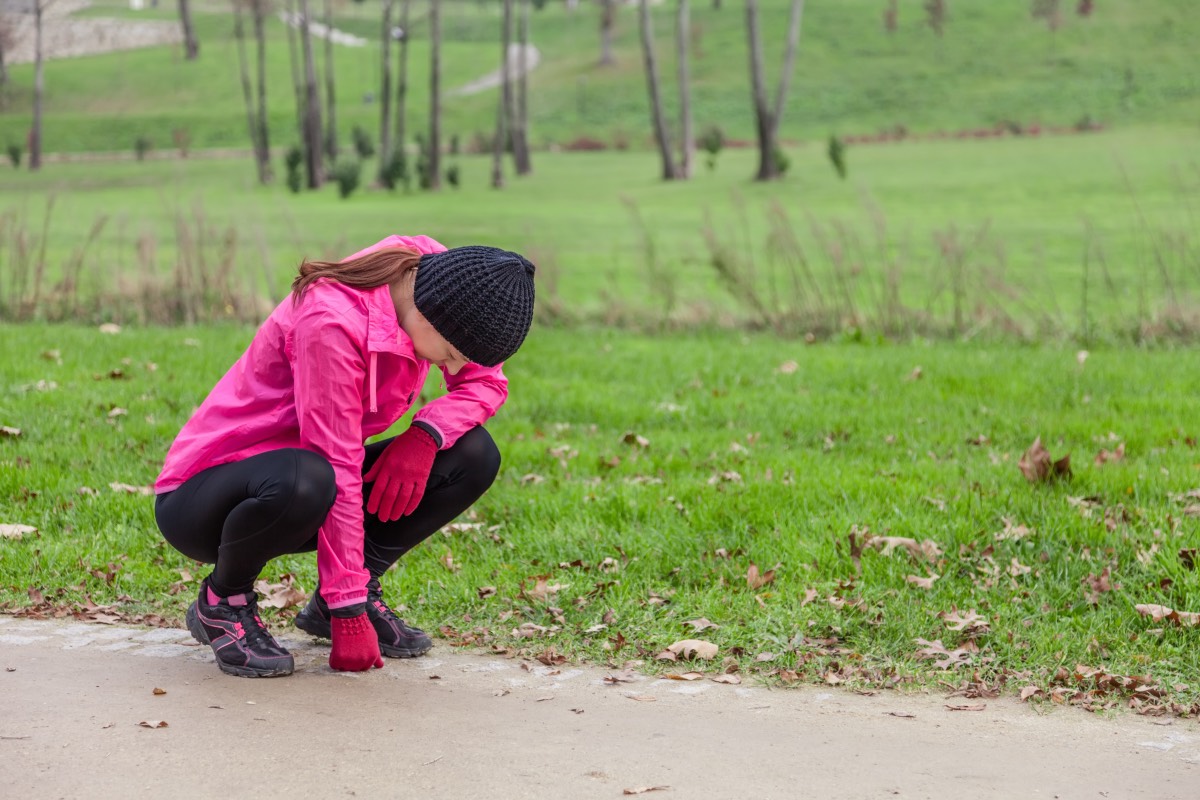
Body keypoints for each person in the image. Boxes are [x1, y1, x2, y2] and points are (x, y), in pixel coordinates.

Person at [153, 235, 536, 677]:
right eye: (450, 355)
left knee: (473, 453)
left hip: (306, 481)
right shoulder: (331, 322)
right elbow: (337, 462)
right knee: (309, 478)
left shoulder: (443, 279)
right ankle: (223, 602)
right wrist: (347, 610)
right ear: (430, 316)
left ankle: (336, 599)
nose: (451, 368)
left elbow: (486, 383)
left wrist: (426, 435)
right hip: (206, 497)